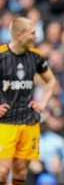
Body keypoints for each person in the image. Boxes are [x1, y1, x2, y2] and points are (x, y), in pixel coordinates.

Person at [0, 17, 57, 185]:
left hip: (29, 121)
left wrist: (43, 102)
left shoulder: (36, 56)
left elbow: (52, 81)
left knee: (21, 171)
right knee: (2, 171)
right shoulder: (1, 56)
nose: (36, 36)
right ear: (19, 35)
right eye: (32, 33)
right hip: (5, 122)